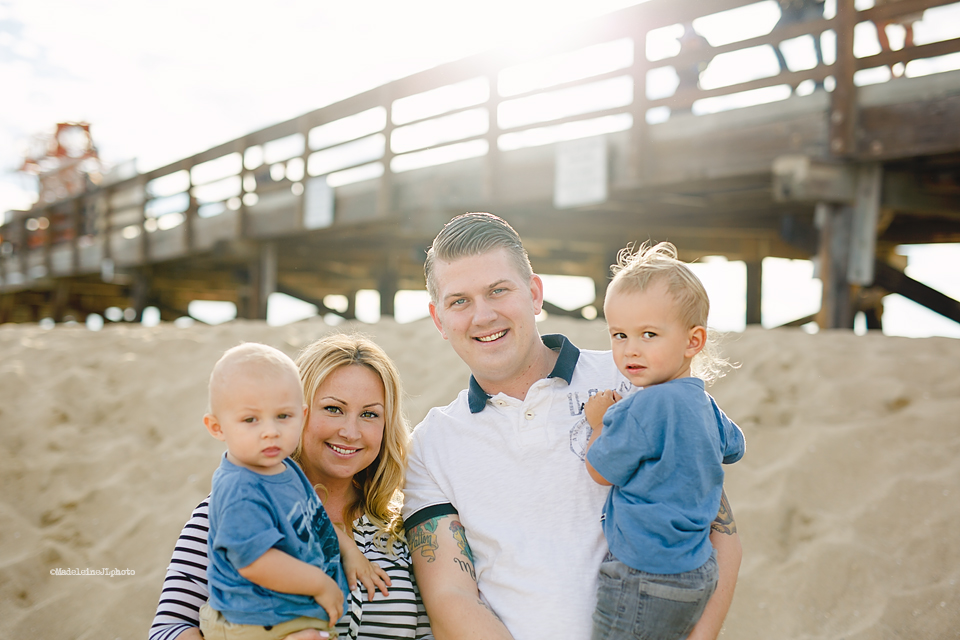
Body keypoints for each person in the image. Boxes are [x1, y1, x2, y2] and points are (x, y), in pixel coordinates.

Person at [403, 212, 742, 640]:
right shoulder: (431, 443)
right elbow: (451, 597)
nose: (483, 315)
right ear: (438, 320)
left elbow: (719, 535)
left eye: (498, 291)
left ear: (534, 294)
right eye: (459, 301)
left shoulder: (635, 381)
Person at [149, 335, 433, 640]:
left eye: (369, 414)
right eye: (333, 409)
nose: (350, 432)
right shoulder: (229, 507)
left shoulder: (407, 525)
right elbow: (168, 631)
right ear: (298, 412)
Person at [582, 242, 745, 640]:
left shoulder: (641, 408)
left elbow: (601, 471)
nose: (630, 349)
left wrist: (599, 423)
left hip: (645, 571)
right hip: (699, 568)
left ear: (693, 341)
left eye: (649, 334)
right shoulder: (704, 404)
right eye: (619, 335)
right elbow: (735, 446)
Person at [199, 343, 357, 639]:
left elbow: (314, 520)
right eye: (250, 420)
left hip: (281, 614)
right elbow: (254, 561)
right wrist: (320, 584)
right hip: (253, 620)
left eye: (283, 416)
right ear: (217, 427)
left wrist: (349, 550)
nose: (270, 430)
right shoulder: (240, 488)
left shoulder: (285, 467)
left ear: (303, 414)